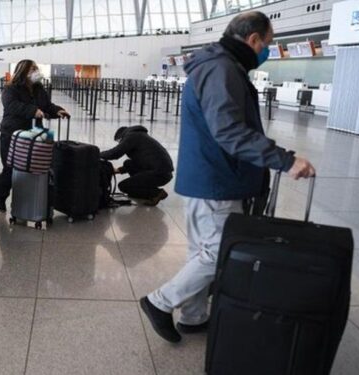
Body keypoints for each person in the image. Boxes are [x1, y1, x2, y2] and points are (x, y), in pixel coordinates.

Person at [139, 12, 316, 344]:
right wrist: (284, 161)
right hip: (217, 180)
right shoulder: (221, 69)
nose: (268, 51)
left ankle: (193, 317)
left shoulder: (217, 65)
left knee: (201, 251)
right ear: (252, 40)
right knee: (218, 252)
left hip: (204, 175)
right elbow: (231, 132)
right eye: (268, 43)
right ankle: (159, 302)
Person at [0, 59, 70, 212]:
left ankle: (27, 201)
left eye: (36, 68)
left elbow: (46, 105)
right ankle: (1, 198)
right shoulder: (10, 88)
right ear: (23, 71)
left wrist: (57, 110)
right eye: (32, 69)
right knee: (10, 167)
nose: (36, 71)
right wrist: (32, 111)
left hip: (34, 135)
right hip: (12, 134)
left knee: (32, 167)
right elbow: (12, 106)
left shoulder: (38, 88)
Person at [100, 125, 173, 206]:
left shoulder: (132, 136)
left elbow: (115, 153)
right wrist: (119, 170)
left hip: (159, 174)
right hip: (162, 171)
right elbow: (142, 160)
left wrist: (96, 154)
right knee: (128, 163)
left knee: (123, 186)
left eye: (119, 141)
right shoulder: (139, 135)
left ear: (121, 136)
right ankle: (138, 188)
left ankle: (156, 193)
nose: (120, 143)